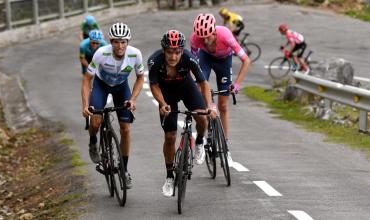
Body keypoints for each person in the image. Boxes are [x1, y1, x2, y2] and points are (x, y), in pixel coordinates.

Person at [148, 30, 215, 197]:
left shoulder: (189, 59)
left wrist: (210, 106)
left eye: (177, 52)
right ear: (164, 50)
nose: (173, 57)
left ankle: (199, 141)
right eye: (169, 52)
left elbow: (203, 82)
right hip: (167, 96)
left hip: (187, 89)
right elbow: (154, 86)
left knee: (201, 116)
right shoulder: (154, 61)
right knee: (170, 136)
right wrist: (162, 104)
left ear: (181, 51)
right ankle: (170, 176)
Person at [81, 22, 145, 189]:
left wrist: (133, 99)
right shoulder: (101, 54)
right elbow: (87, 80)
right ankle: (93, 140)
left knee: (125, 128)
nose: (120, 45)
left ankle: (124, 170)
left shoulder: (135, 54)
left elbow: (140, 77)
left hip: (121, 87)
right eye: (116, 41)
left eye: (123, 41)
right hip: (101, 86)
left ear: (128, 42)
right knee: (95, 121)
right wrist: (86, 105)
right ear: (110, 41)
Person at [190, 13, 251, 167]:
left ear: (214, 32)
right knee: (199, 86)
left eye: (208, 37)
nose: (205, 40)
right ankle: (204, 130)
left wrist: (236, 85)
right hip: (205, 60)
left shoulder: (225, 35)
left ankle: (226, 148)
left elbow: (246, 61)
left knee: (223, 105)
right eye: (201, 37)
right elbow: (193, 65)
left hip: (224, 61)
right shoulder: (195, 39)